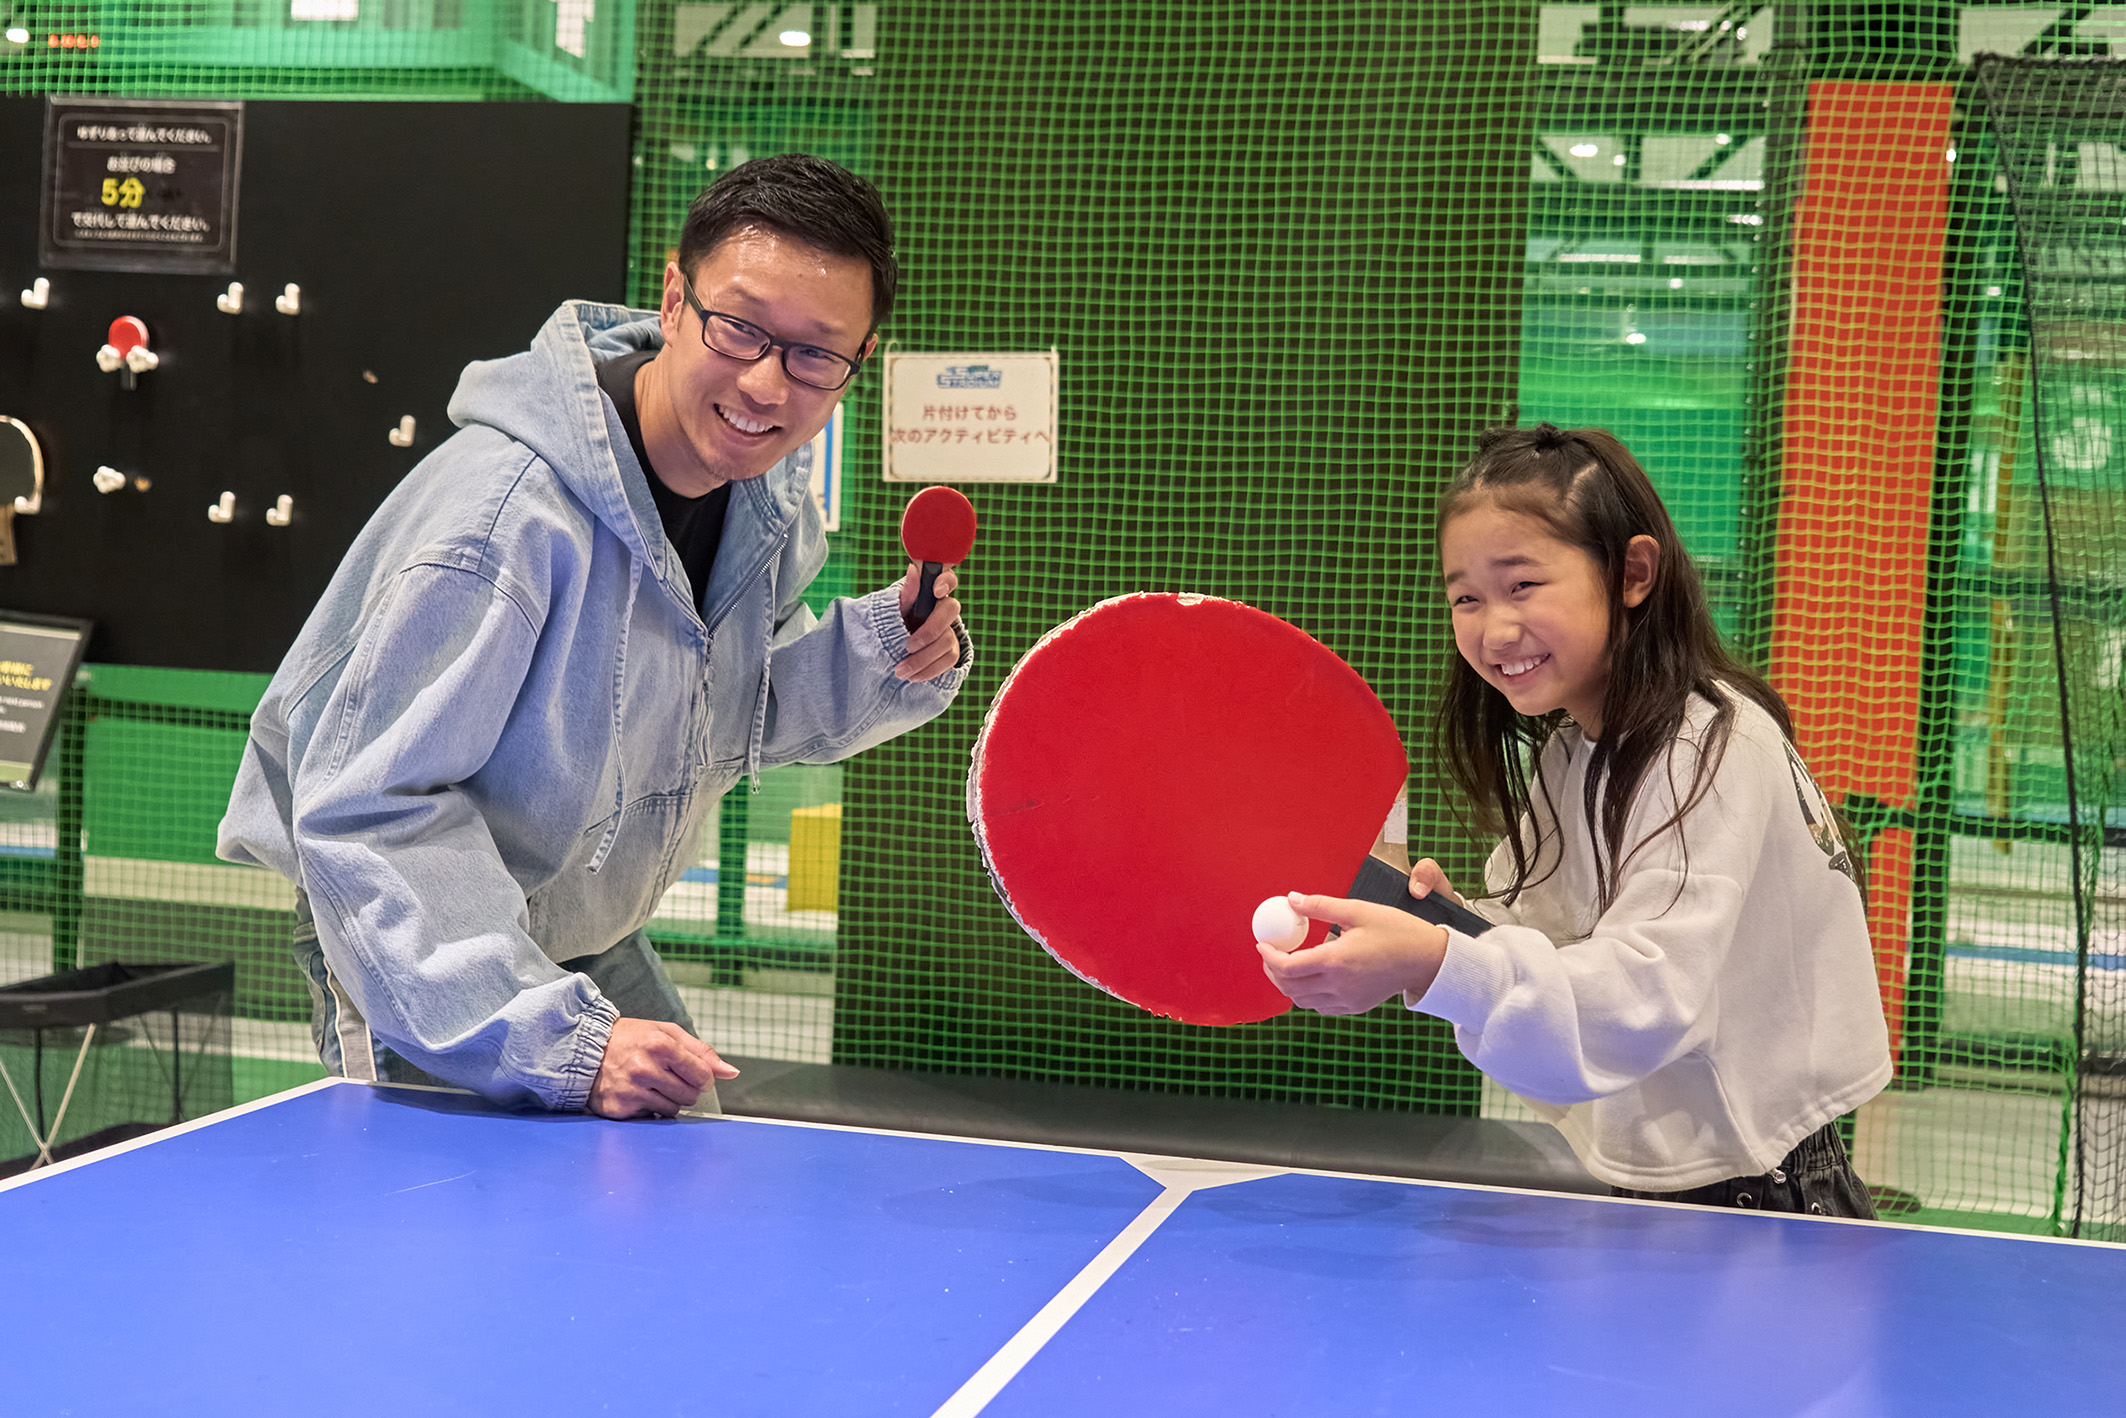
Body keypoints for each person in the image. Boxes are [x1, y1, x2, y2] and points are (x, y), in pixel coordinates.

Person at [218, 155, 970, 1120]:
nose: (767, 382)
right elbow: (365, 808)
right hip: (417, 940)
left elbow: (717, 710)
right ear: (673, 298)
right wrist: (558, 1035)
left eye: (816, 355)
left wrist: (882, 651)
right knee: (471, 1248)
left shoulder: (763, 503)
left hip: (585, 924)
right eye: (740, 327)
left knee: (679, 1188)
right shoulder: (499, 528)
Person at [1260, 423, 1890, 1216]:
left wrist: (1432, 963)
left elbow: (1645, 991)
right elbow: (1542, 930)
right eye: (1466, 597)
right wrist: (1443, 925)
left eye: (1522, 585)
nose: (1493, 629)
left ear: (1632, 573)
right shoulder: (1575, 750)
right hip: (1670, 1186)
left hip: (1769, 1195)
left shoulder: (1710, 745)